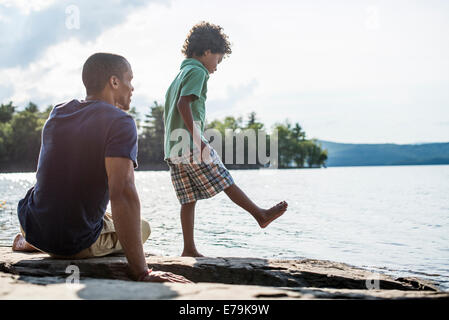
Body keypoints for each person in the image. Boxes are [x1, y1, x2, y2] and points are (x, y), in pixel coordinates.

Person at [12, 52, 191, 283]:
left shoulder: (58, 112)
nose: (132, 88)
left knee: (78, 209)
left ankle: (30, 240)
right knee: (143, 227)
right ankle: (47, 243)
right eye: (130, 79)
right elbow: (123, 193)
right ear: (114, 82)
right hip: (71, 245)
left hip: (32, 224)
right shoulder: (120, 122)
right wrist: (142, 272)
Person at [164, 22, 288, 257]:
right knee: (225, 179)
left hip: (173, 148)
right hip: (189, 143)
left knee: (188, 199)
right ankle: (260, 215)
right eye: (218, 61)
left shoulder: (179, 75)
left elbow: (172, 109)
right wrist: (198, 138)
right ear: (207, 51)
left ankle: (188, 249)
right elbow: (183, 105)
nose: (216, 68)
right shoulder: (198, 71)